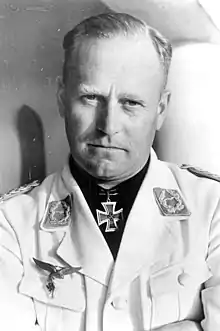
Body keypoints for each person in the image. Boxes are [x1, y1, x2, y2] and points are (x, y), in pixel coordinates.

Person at [0, 12, 220, 331]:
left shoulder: (211, 207)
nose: (108, 126)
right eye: (91, 98)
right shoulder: (12, 224)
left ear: (160, 110)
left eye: (130, 103)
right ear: (63, 99)